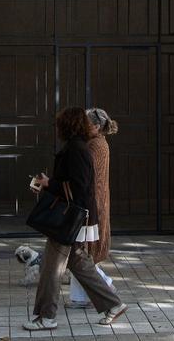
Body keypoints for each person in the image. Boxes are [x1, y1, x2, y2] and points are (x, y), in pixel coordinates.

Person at [24, 107, 128, 331]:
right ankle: (113, 304)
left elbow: (79, 187)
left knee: (51, 268)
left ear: (68, 126)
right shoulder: (77, 147)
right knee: (79, 262)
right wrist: (47, 183)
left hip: (69, 219)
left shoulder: (77, 149)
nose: (56, 127)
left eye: (59, 123)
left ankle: (46, 317)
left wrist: (49, 184)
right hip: (74, 218)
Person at [68, 107, 118, 308]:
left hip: (92, 206)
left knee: (83, 253)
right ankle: (80, 298)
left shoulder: (96, 146)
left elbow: (90, 178)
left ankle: (105, 286)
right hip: (92, 204)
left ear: (96, 126)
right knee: (81, 252)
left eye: (86, 124)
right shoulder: (95, 143)